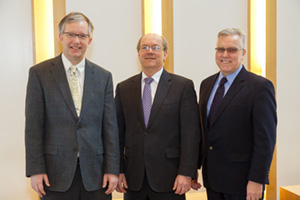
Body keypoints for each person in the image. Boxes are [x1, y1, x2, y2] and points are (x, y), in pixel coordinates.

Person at [25, 12, 119, 200]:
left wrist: (113, 169)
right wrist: (35, 169)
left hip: (97, 174)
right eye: (71, 35)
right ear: (60, 37)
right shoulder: (40, 74)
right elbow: (34, 126)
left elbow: (110, 128)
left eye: (82, 36)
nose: (76, 41)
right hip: (54, 174)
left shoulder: (103, 76)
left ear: (89, 40)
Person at [114, 33, 200, 200]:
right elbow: (117, 134)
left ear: (165, 54)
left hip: (171, 178)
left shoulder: (182, 87)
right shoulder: (124, 88)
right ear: (138, 53)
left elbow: (191, 134)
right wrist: (118, 169)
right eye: (144, 48)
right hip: (134, 179)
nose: (150, 52)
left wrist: (186, 172)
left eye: (156, 48)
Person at [198, 28, 277, 200]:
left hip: (243, 184)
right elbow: (205, 132)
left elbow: (265, 140)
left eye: (232, 50)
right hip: (212, 180)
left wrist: (257, 180)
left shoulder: (260, 87)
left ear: (243, 53)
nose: (225, 54)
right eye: (220, 49)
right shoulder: (206, 85)